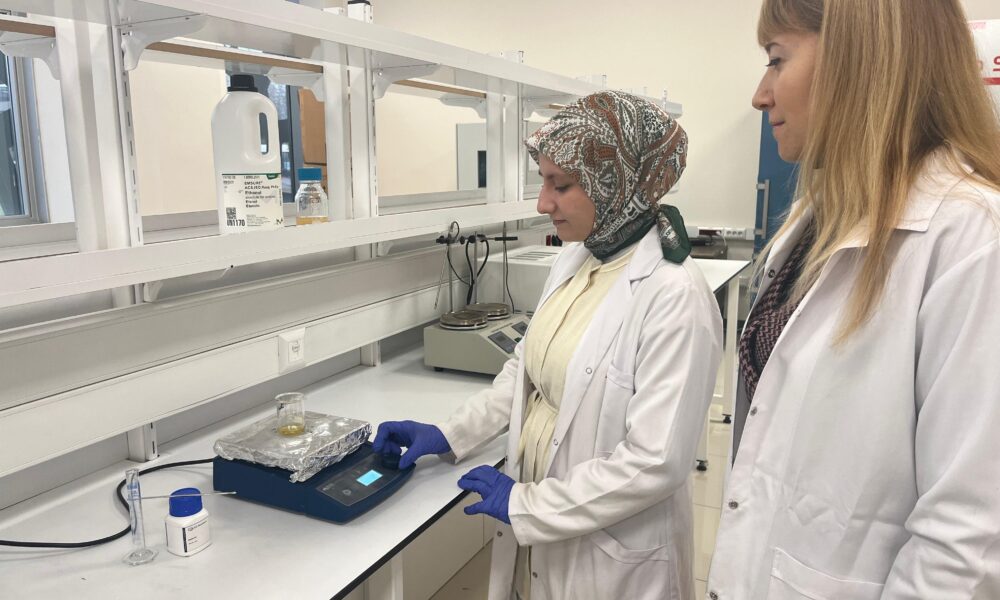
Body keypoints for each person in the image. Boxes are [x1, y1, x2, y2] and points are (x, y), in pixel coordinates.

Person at [374, 91, 722, 600]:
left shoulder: (675, 296)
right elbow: (526, 372)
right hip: (539, 543)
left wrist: (529, 506)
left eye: (561, 185)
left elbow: (655, 462)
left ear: (615, 183)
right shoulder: (576, 258)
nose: (543, 203)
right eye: (542, 181)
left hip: (609, 560)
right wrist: (450, 434)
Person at [707, 1, 1000, 598]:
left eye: (776, 60)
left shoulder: (972, 238)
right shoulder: (819, 218)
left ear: (861, 60)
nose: (761, 95)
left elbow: (965, 546)